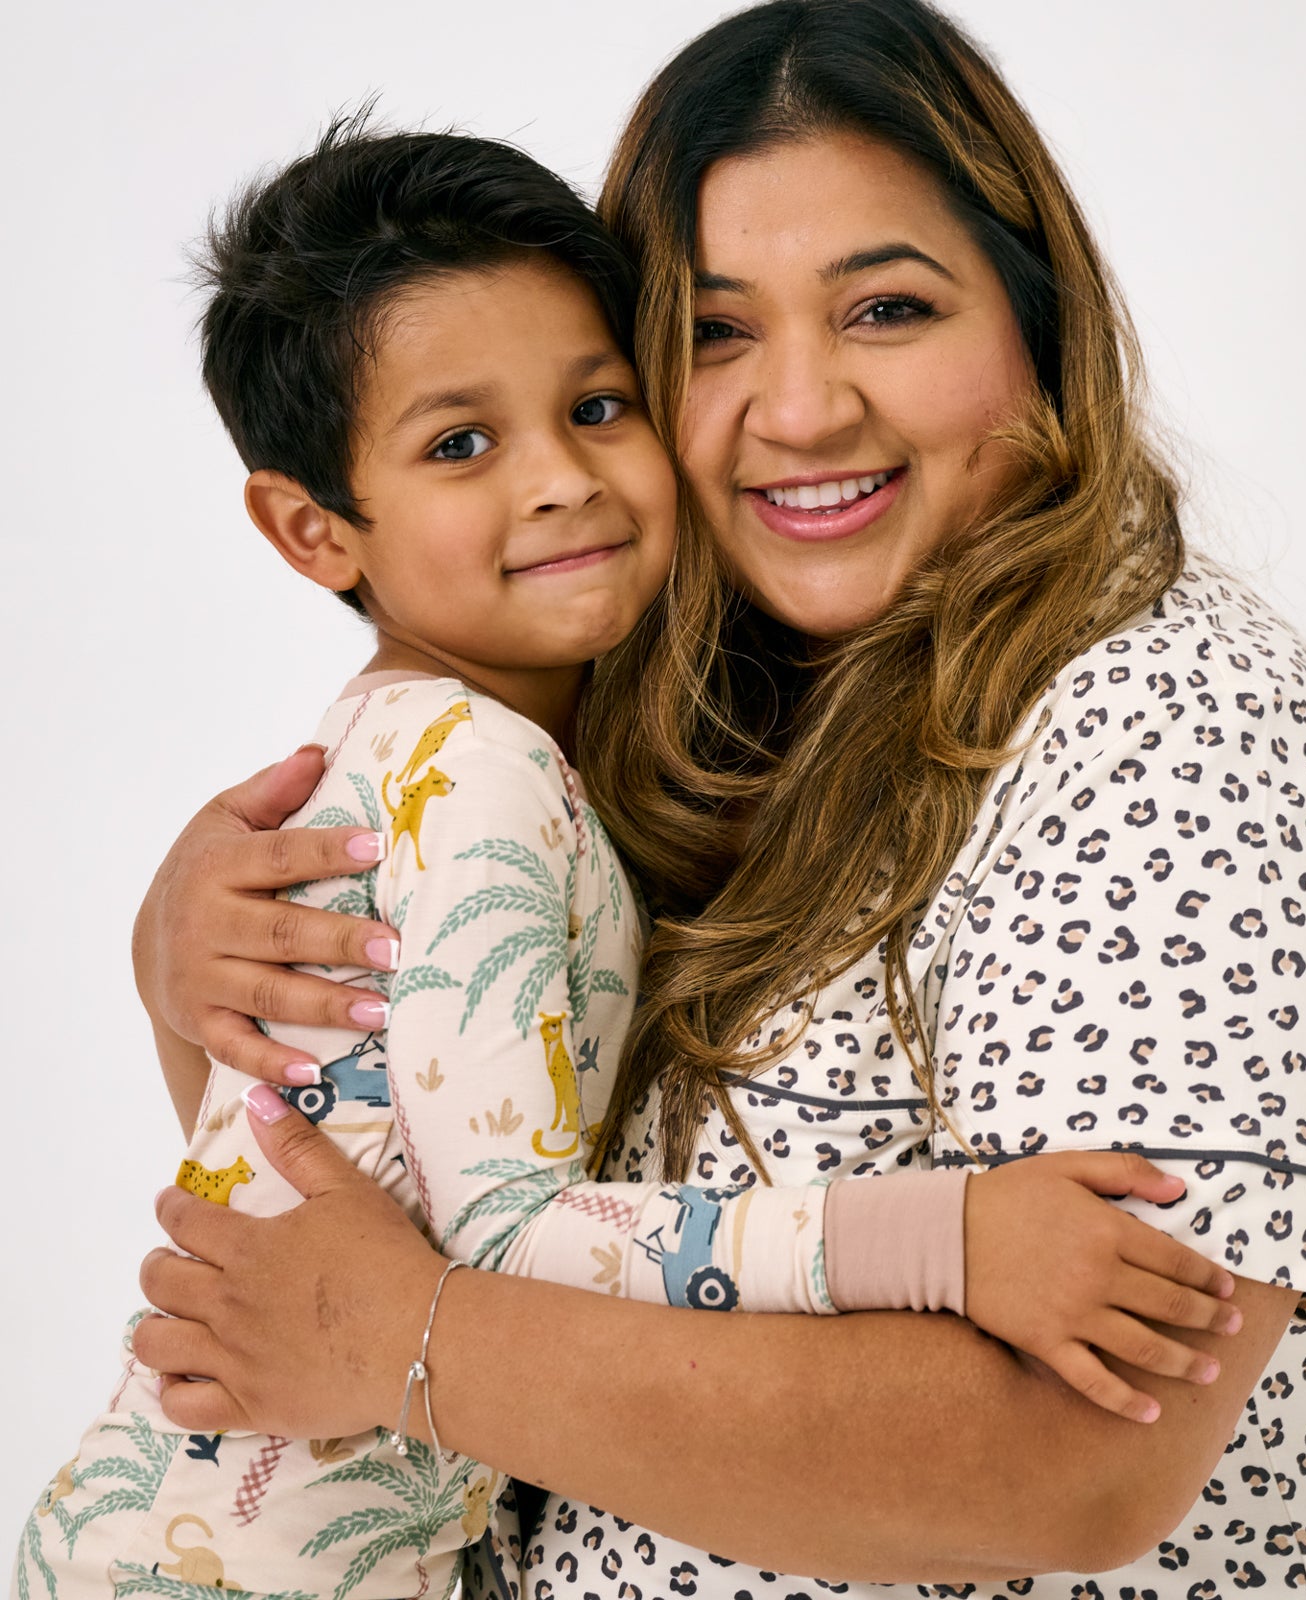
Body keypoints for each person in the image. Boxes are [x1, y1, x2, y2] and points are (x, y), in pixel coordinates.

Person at [121, 0, 1306, 1595]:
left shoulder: (1175, 735)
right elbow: (350, 1230)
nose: (798, 410)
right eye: (716, 334)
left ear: (1038, 323)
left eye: (888, 310)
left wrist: (418, 1345)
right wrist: (186, 980)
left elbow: (1080, 1463)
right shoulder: (694, 721)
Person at [13, 113, 1238, 1600]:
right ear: (313, 530)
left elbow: (329, 1157)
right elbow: (503, 1243)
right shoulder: (477, 776)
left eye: (597, 407)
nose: (559, 479)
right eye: (460, 444)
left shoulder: (439, 756)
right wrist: (950, 1239)